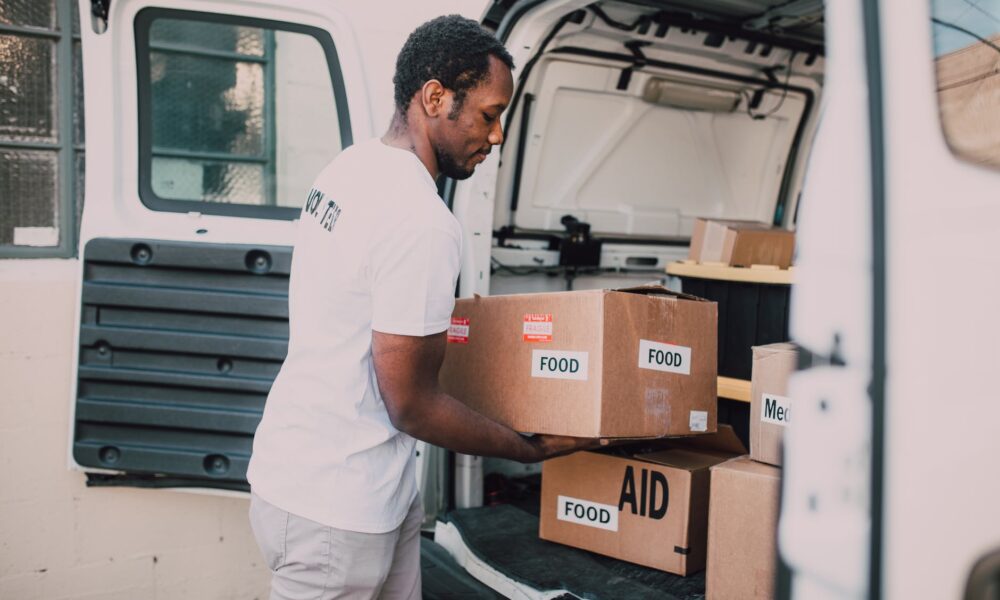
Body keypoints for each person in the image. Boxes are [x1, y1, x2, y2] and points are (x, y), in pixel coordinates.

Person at [247, 15, 597, 600]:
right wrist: (528, 450)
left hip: (321, 477)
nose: (498, 135)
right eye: (489, 114)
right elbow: (411, 404)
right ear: (435, 97)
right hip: (338, 507)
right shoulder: (420, 219)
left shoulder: (349, 168)